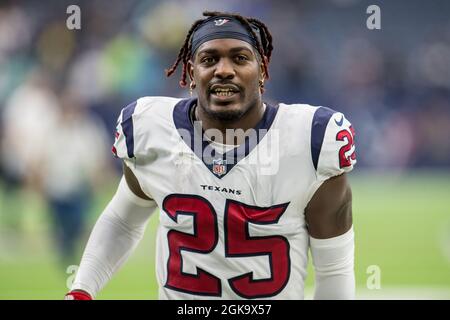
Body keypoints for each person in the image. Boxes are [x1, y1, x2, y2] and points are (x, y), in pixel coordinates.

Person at [65, 11, 356, 300]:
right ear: (192, 73)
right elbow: (123, 220)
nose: (224, 70)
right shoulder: (150, 128)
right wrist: (81, 290)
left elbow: (335, 270)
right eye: (209, 59)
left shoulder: (311, 140)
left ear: (263, 70)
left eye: (240, 58)